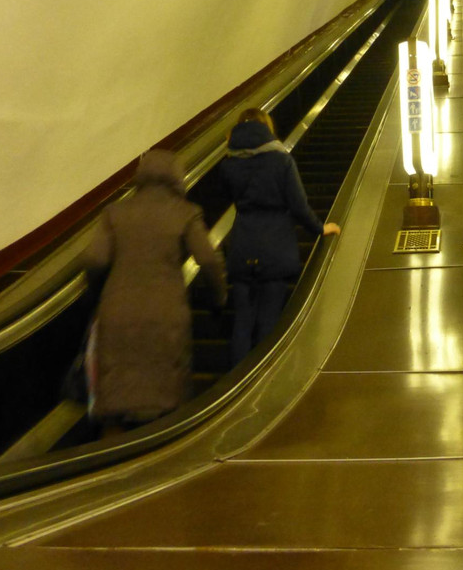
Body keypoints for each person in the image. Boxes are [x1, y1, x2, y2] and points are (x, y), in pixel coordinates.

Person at [83, 149, 227, 433]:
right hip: (166, 312)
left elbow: (94, 259)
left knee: (117, 394)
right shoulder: (185, 212)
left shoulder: (115, 213)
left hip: (118, 310)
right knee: (166, 396)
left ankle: (109, 464)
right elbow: (208, 259)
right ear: (177, 176)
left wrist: (99, 293)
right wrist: (218, 297)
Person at [219, 108, 340, 364]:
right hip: (275, 247)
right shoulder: (281, 160)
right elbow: (298, 205)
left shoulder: (229, 164)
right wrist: (319, 228)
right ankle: (262, 383)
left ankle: (234, 382)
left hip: (242, 246)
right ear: (267, 127)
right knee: (269, 322)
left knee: (242, 322)